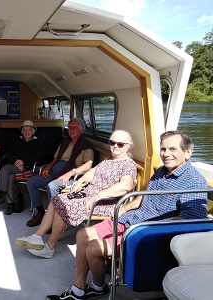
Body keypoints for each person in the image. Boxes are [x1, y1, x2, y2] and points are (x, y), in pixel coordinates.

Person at [46, 130, 208, 300]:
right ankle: (80, 288)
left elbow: (190, 222)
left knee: (93, 248)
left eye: (172, 149)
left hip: (144, 231)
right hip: (131, 219)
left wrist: (142, 228)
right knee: (82, 234)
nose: (166, 154)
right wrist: (123, 209)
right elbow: (143, 196)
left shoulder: (194, 181)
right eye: (163, 149)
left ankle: (97, 287)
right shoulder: (161, 171)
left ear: (188, 152)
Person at [16, 130, 137, 258]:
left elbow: (125, 186)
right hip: (88, 195)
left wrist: (97, 196)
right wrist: (80, 181)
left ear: (128, 146)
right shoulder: (109, 159)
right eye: (112, 142)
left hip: (104, 203)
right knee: (56, 199)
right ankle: (37, 236)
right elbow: (93, 172)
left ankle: (49, 247)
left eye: (120, 144)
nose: (115, 146)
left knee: (63, 205)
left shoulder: (128, 164)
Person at [26, 118, 95, 227]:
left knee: (52, 186)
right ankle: (40, 212)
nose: (71, 129)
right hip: (56, 172)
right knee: (31, 182)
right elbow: (55, 159)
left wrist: (70, 173)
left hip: (73, 176)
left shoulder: (86, 146)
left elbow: (88, 166)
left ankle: (52, 219)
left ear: (81, 130)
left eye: (74, 127)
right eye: (69, 126)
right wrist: (48, 167)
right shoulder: (65, 142)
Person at [0, 120, 43, 215]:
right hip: (15, 166)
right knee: (10, 176)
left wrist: (23, 162)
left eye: (29, 130)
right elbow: (9, 154)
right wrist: (17, 163)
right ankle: (9, 204)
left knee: (6, 168)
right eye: (24, 130)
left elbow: (37, 157)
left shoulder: (38, 142)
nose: (27, 132)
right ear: (22, 131)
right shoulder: (16, 140)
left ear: (33, 131)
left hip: (28, 168)